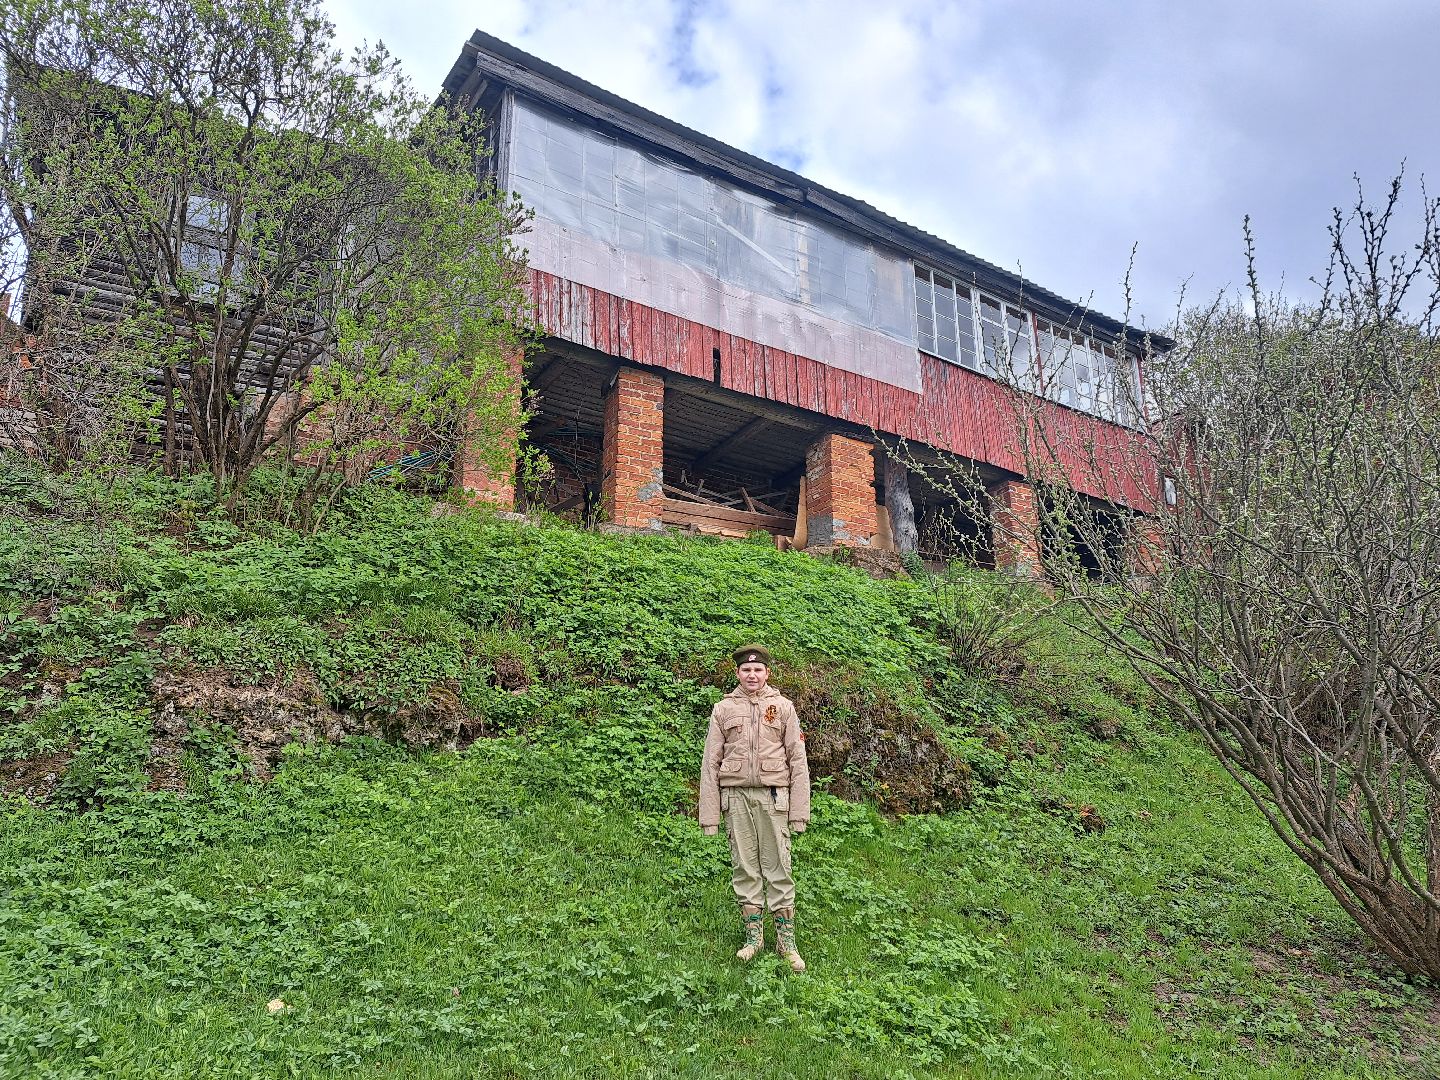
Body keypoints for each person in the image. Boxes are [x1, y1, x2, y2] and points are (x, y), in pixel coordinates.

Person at [698, 644, 811, 972]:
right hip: (735, 799)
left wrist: (799, 812)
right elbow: (710, 762)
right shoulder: (722, 710)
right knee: (745, 868)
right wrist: (709, 816)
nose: (752, 674)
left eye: (757, 669)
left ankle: (786, 941)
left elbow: (798, 760)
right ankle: (753, 938)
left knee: (779, 867)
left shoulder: (783, 707)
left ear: (767, 673)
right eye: (746, 670)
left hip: (774, 797)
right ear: (737, 673)